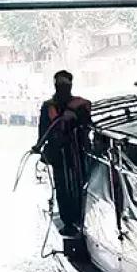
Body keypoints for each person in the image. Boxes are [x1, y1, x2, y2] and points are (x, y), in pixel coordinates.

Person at [36, 70, 92, 236]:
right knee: (62, 187)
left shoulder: (81, 104)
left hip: (77, 152)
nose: (63, 88)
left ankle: (81, 217)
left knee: (80, 184)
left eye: (65, 85)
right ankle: (68, 221)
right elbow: (43, 130)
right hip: (59, 153)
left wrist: (73, 115)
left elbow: (87, 124)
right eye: (60, 85)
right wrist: (39, 147)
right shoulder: (48, 106)